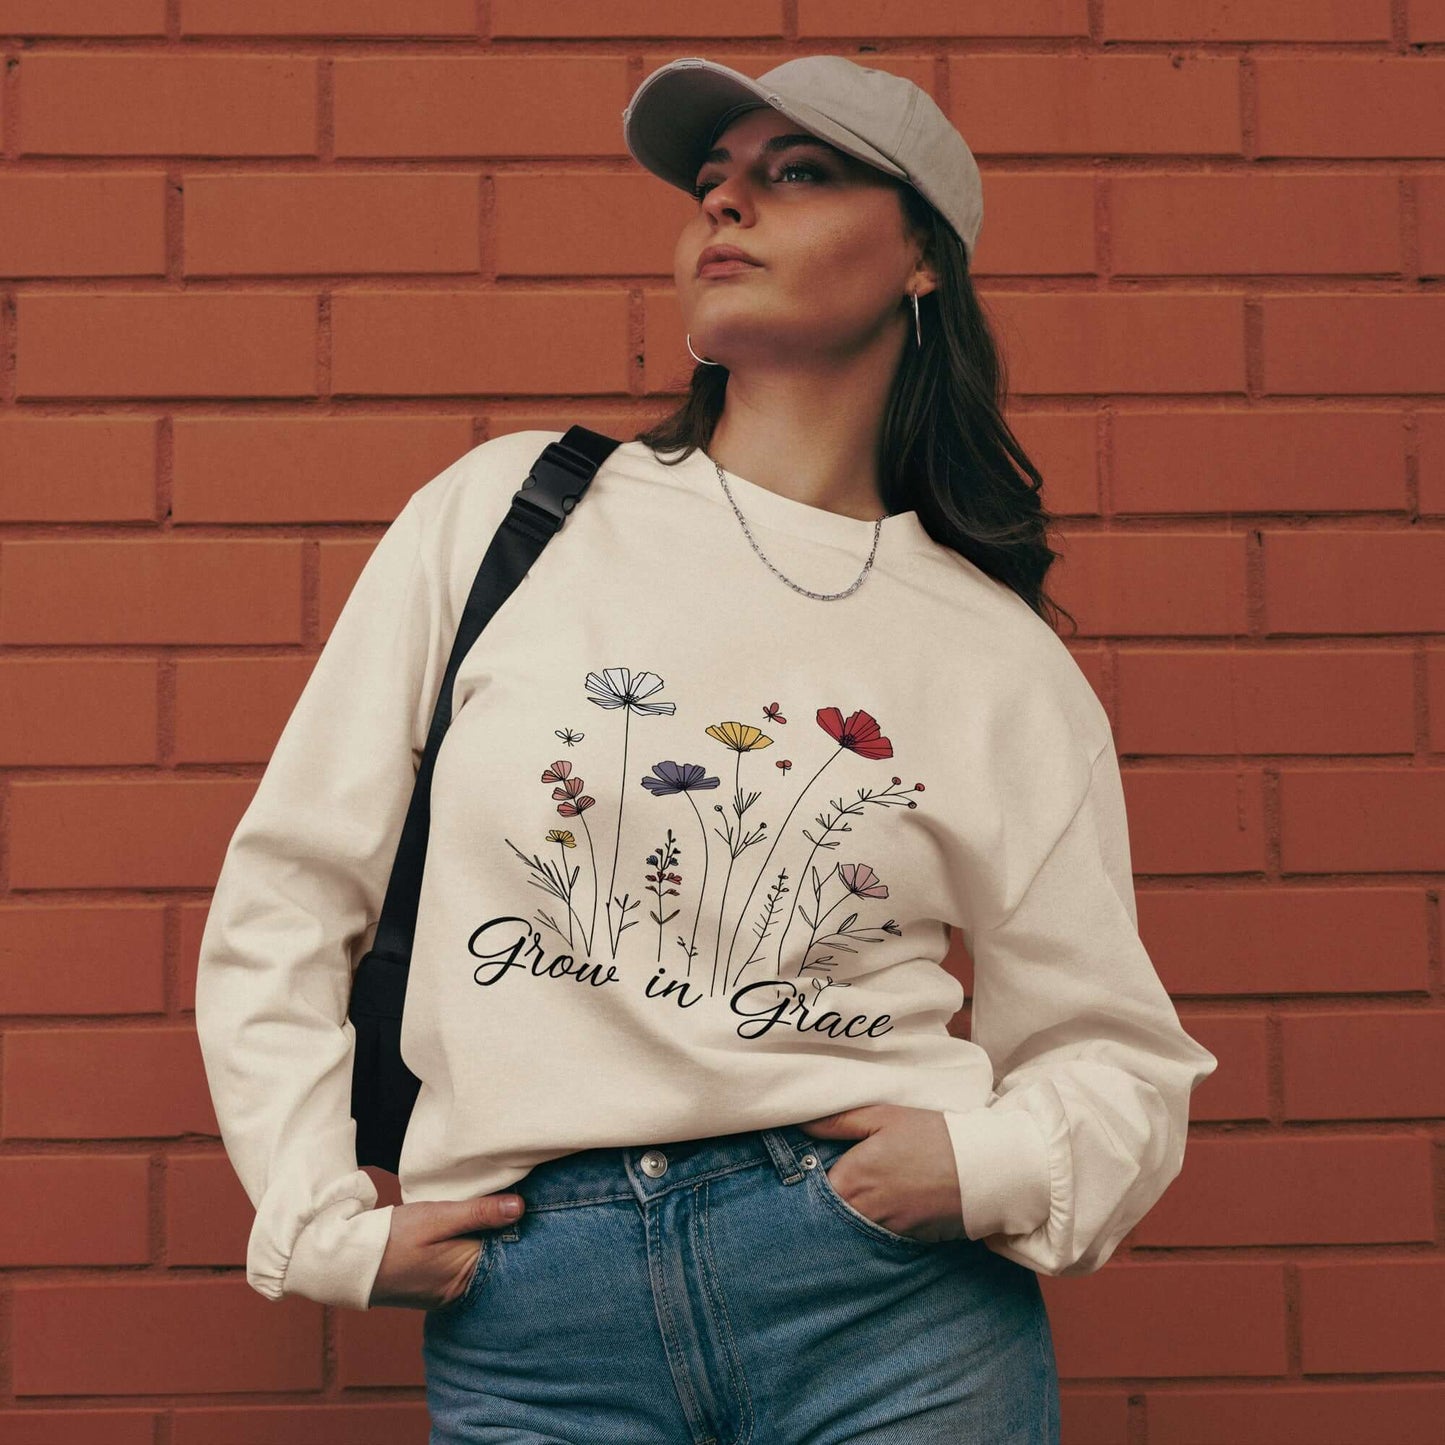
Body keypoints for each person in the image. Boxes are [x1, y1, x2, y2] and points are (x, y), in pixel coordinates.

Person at [194, 54, 1218, 1444]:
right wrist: (318, 1223)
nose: (726, 201)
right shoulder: (510, 516)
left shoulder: (994, 656)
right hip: (534, 1317)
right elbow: (289, 889)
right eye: (710, 182)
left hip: (883, 1309)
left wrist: (977, 1163)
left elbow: (1113, 1050)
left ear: (922, 253)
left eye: (795, 173)